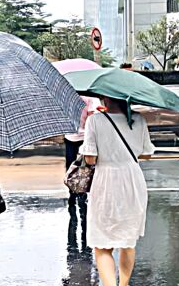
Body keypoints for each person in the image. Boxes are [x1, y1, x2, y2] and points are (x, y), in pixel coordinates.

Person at [81, 96, 154, 286]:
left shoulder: (95, 120)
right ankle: (123, 284)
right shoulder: (138, 119)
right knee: (128, 241)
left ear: (105, 98)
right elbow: (146, 153)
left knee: (103, 244)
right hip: (133, 180)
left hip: (106, 182)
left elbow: (90, 158)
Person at [64, 96, 100, 236]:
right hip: (82, 137)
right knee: (83, 166)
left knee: (72, 166)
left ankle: (73, 190)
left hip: (73, 137)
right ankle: (81, 190)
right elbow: (93, 116)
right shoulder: (89, 99)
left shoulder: (65, 97)